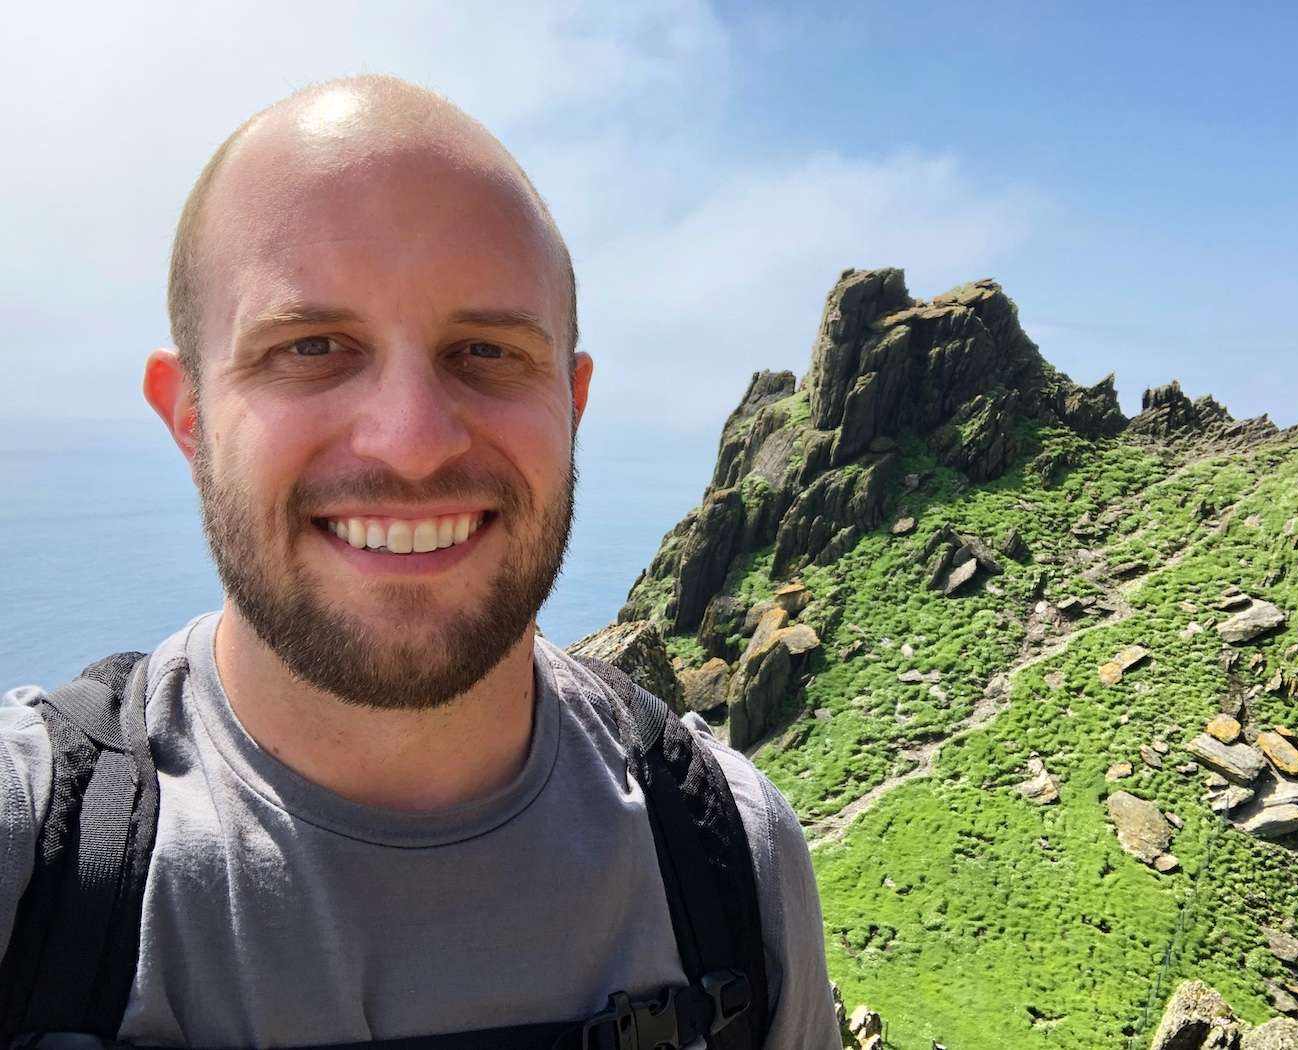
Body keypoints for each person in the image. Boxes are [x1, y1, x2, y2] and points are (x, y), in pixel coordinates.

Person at [0, 75, 840, 1048]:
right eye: (313, 347)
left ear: (573, 403)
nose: (412, 442)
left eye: (484, 351)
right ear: (188, 418)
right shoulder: (37, 862)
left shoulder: (736, 863)